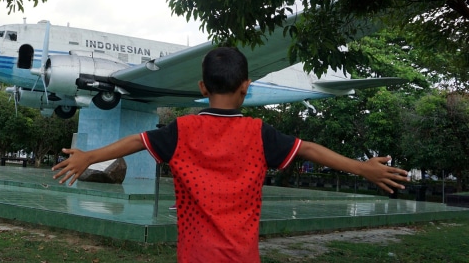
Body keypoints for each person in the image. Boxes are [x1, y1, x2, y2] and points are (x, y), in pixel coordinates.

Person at [52, 46, 410, 262]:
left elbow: (134, 141)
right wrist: (362, 169)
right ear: (246, 87)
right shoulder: (259, 134)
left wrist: (89, 156)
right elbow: (311, 149)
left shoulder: (182, 131)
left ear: (202, 87)